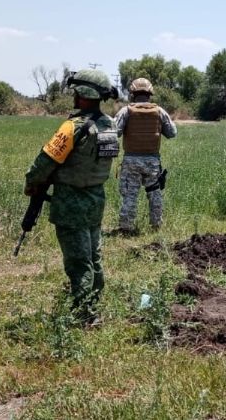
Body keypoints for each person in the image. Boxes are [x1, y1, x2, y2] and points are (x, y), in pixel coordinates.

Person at [24, 69, 120, 324]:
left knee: (78, 261)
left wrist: (32, 183)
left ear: (84, 93)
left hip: (70, 202)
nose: (74, 95)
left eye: (77, 91)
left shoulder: (73, 126)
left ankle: (84, 314)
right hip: (96, 199)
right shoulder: (109, 125)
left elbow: (44, 162)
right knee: (93, 254)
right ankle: (94, 298)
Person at [113, 78, 177, 234]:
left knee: (130, 195)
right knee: (155, 195)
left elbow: (115, 132)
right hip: (152, 161)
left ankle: (126, 229)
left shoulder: (126, 111)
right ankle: (156, 227)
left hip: (131, 161)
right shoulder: (160, 111)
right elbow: (172, 133)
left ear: (133, 94)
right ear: (150, 93)